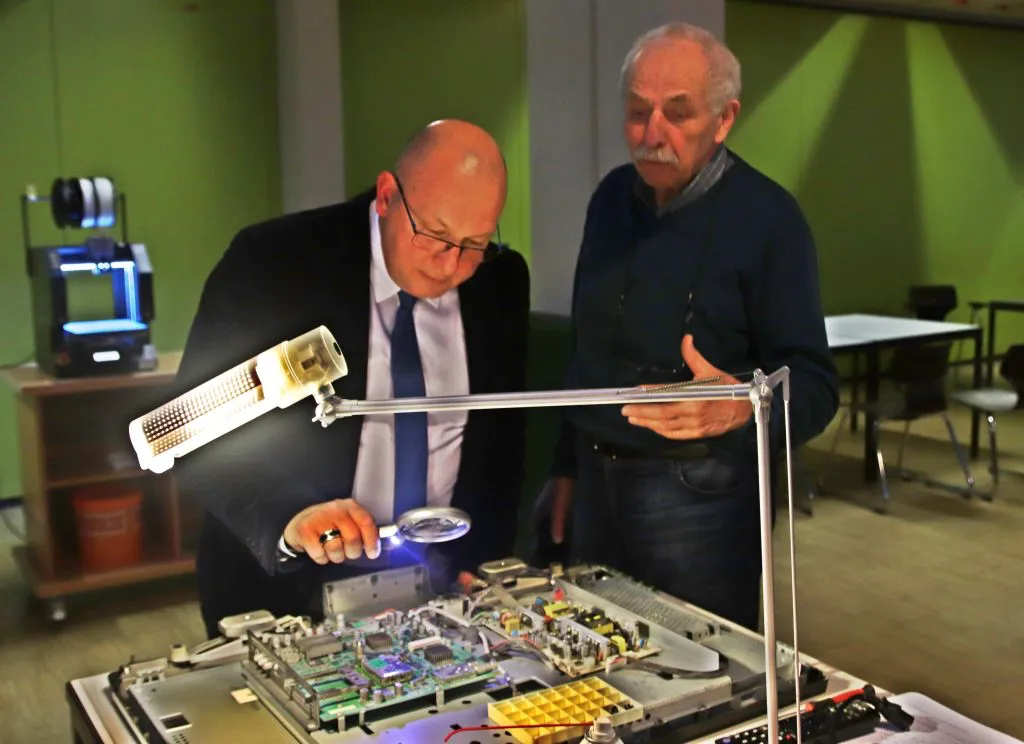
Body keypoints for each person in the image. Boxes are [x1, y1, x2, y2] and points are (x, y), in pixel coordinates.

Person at [173, 119, 530, 638]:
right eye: (435, 235)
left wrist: (487, 557)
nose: (450, 265)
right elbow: (192, 434)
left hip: (440, 589)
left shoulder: (499, 282)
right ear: (387, 196)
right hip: (284, 593)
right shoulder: (272, 264)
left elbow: (501, 445)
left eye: (474, 243)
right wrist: (290, 518)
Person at [538, 23, 839, 631]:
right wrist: (565, 468)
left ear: (724, 119)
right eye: (637, 113)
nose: (653, 136)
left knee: (704, 676)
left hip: (699, 495)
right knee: (595, 666)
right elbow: (585, 353)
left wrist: (738, 407)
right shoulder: (610, 199)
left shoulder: (770, 220)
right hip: (595, 483)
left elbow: (815, 386)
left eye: (678, 114)